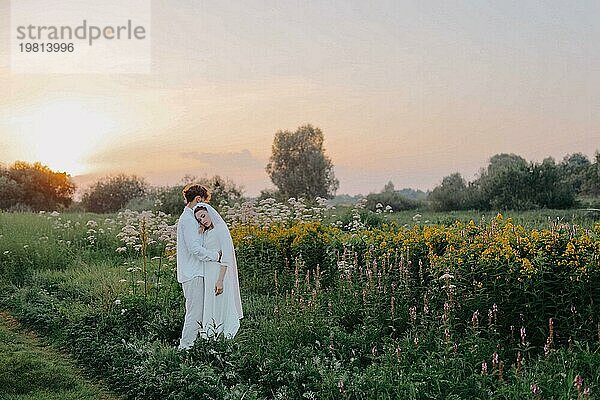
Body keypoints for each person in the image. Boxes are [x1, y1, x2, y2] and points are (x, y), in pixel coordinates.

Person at [176, 184, 222, 350]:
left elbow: (196, 243)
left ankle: (195, 347)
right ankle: (185, 348)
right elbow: (194, 249)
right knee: (194, 313)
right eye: (203, 202)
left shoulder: (190, 219)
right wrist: (215, 256)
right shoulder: (188, 219)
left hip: (195, 272)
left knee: (199, 312)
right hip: (193, 273)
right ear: (198, 199)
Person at [194, 203, 243, 339]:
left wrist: (220, 280)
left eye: (203, 216)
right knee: (211, 303)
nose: (203, 220)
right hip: (208, 273)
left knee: (221, 301)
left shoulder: (220, 229)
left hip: (218, 272)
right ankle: (211, 333)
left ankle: (224, 333)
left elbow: (226, 256)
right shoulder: (206, 232)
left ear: (210, 213)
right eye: (199, 219)